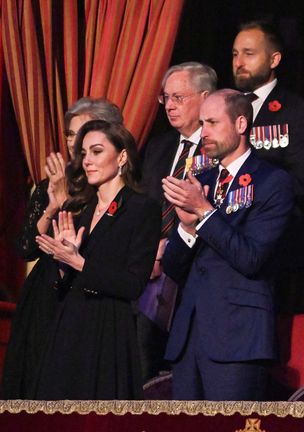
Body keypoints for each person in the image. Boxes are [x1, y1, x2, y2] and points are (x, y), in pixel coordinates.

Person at [161, 89, 293, 400]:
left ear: (241, 124)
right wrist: (186, 226)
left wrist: (205, 213)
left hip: (237, 336)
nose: (203, 132)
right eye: (201, 123)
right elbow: (173, 268)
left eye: (212, 123)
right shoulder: (201, 179)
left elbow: (252, 258)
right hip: (189, 334)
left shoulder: (272, 182)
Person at [2, 98, 123, 399]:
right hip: (44, 295)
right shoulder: (51, 184)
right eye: (70, 134)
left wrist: (68, 202)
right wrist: (53, 205)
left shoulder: (112, 187)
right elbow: (26, 247)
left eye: (82, 134)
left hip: (83, 295)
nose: (73, 142)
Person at [34, 120, 160, 399]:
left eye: (97, 151)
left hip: (108, 329)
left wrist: (79, 262)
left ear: (122, 156)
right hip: (69, 325)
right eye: (84, 153)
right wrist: (63, 262)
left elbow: (133, 284)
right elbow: (61, 283)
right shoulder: (82, 209)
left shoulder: (142, 209)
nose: (87, 161)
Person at [232, 20, 304, 312]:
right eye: (234, 54)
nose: (239, 62)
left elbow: (299, 181)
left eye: (248, 53)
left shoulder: (297, 111)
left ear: (274, 59)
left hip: (275, 247)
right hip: (225, 245)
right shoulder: (224, 108)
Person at [138, 61, 216, 384]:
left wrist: (169, 246)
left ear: (205, 96)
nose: (169, 106)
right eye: (165, 98)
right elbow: (143, 209)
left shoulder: (218, 147)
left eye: (178, 98)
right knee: (142, 363)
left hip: (195, 271)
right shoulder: (159, 147)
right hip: (150, 275)